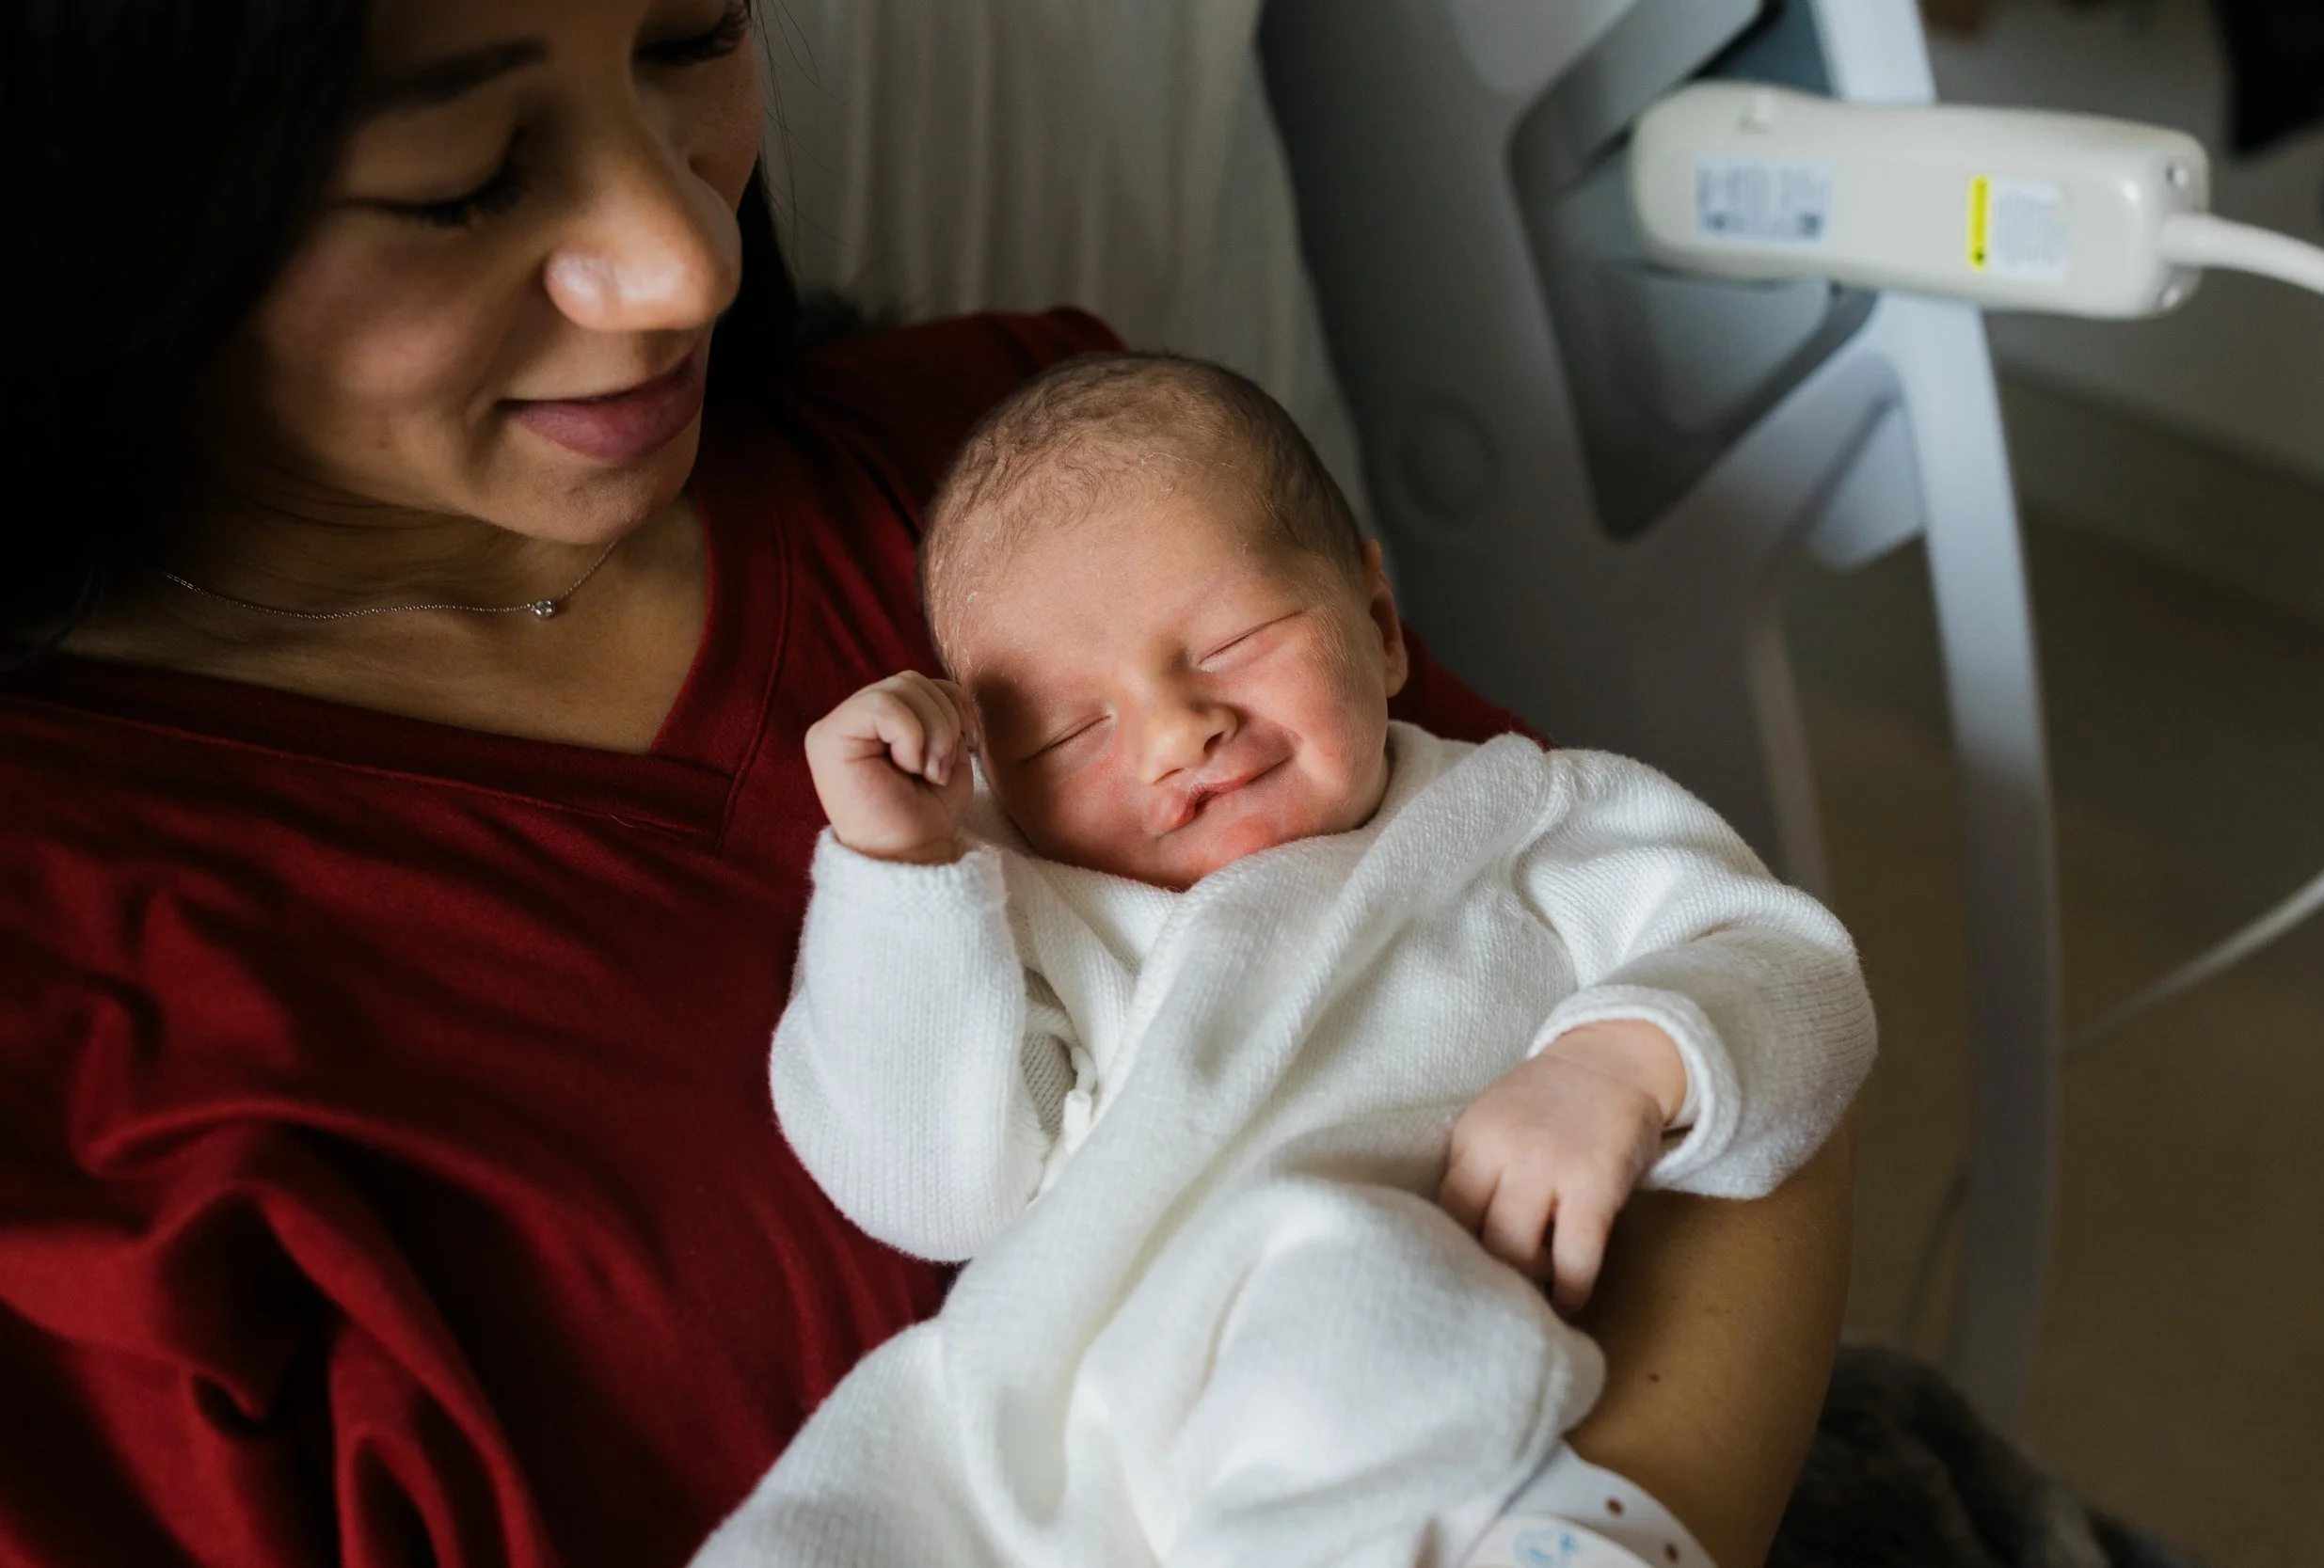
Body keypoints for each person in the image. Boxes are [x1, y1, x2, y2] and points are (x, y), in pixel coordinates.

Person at [0, 3, 1857, 1566]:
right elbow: (926, 1163)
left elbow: (1711, 1012)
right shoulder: (78, 1016)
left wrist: (1607, 1521)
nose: (685, 259)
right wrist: (903, 887)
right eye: (463, 175)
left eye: (690, 39)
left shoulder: (1062, 485)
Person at [694, 355, 1876, 1568]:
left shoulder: (1529, 821)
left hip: (1370, 1341)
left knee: (1364, 1302)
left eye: (1233, 640)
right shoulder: (1039, 911)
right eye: (1073, 728)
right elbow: (930, 1192)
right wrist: (899, 878)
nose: (1173, 732)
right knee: (850, 1495)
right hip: (1049, 1414)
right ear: (1000, 770)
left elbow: (1788, 962)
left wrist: (1618, 1065)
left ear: (1376, 625)